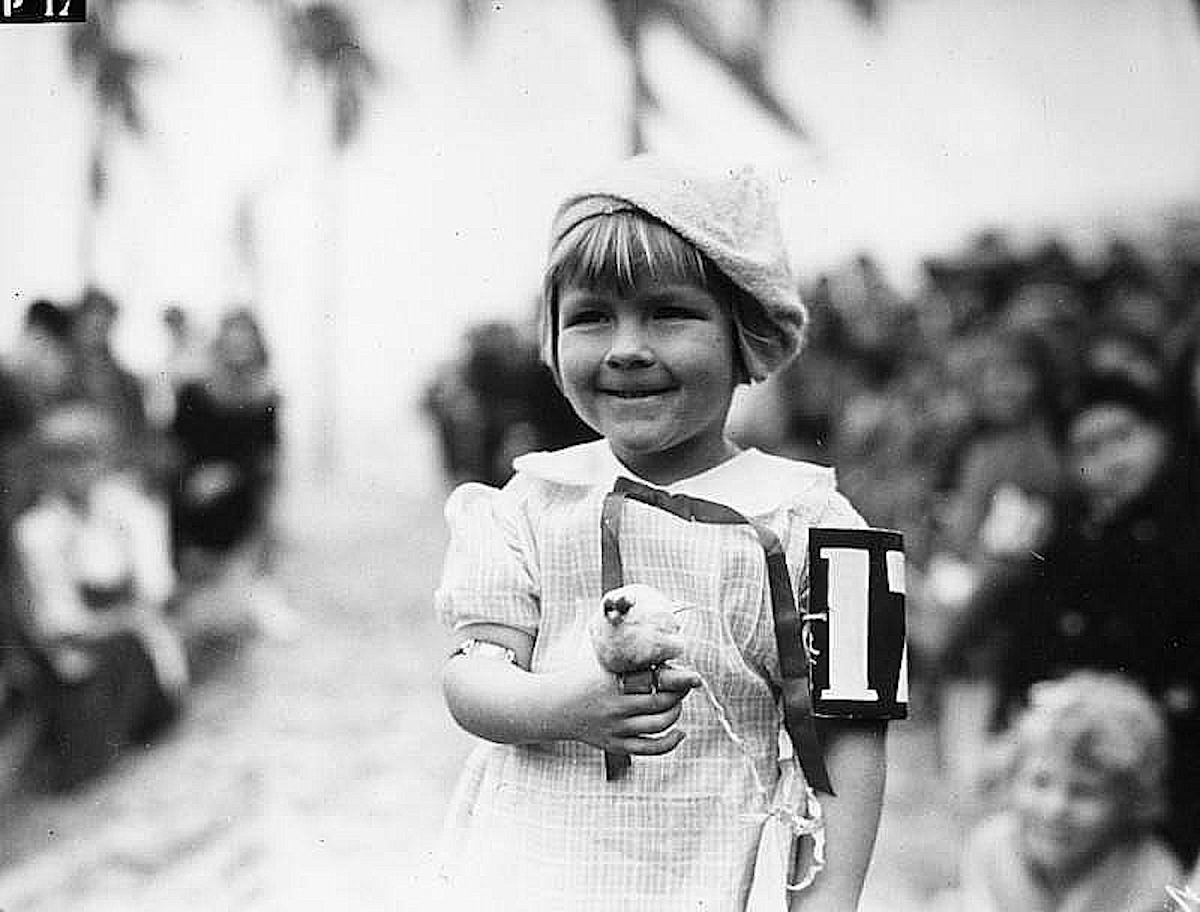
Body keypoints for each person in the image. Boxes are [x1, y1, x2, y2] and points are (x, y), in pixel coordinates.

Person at [435, 155, 898, 911]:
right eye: (591, 317)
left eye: (668, 313)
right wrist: (561, 706)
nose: (626, 348)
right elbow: (471, 676)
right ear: (551, 341)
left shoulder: (824, 524)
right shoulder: (528, 501)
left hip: (712, 871)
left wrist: (832, 897)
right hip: (534, 868)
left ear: (743, 333)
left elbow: (856, 735)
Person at [949, 372, 1200, 867]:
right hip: (1065, 751)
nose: (1111, 458)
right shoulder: (1066, 536)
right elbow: (1027, 642)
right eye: (1089, 447)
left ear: (1161, 436)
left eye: (1124, 436)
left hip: (1167, 758)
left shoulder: (1187, 529)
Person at [10, 402, 187, 791]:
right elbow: (58, 619)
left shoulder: (131, 509)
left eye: (86, 457)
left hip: (135, 643)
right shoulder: (37, 530)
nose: (75, 472)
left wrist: (130, 612)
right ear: (45, 469)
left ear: (105, 459)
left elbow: (157, 586)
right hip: (79, 653)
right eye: (61, 461)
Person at [946, 672, 1182, 912]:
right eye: (1040, 782)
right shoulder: (991, 849)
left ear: (1129, 802)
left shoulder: (1150, 874)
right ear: (1014, 776)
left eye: (1084, 792)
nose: (1055, 808)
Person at [169, 306, 292, 639]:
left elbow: (266, 460)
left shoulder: (265, 397)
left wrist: (229, 476)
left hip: (240, 498)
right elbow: (177, 447)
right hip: (191, 495)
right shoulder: (194, 392)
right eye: (232, 341)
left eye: (246, 342)